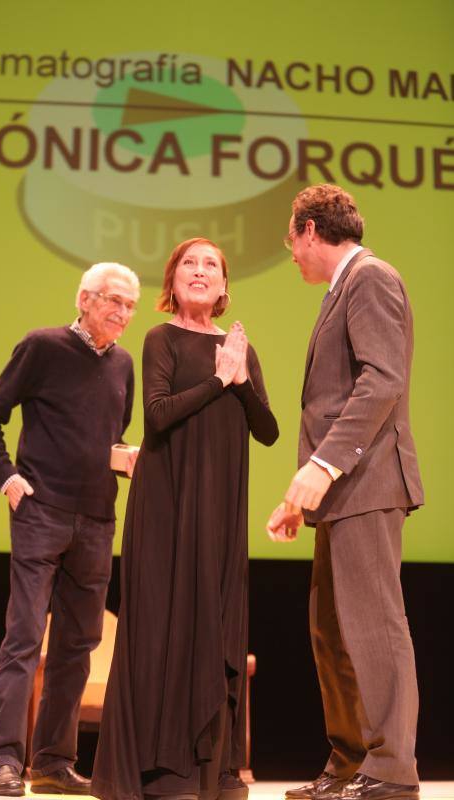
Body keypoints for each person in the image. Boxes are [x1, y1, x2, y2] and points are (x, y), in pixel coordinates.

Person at [91, 237, 278, 800]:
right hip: (168, 509)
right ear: (172, 283)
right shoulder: (160, 338)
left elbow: (266, 430)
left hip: (219, 514)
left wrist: (240, 381)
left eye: (212, 266)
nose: (200, 272)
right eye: (189, 265)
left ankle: (211, 770)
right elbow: (157, 415)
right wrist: (219, 381)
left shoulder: (238, 347)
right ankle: (162, 771)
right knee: (163, 624)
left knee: (212, 625)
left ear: (224, 287)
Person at [267, 185, 424, 800]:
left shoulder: (370, 278)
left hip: (368, 482)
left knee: (374, 626)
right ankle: (349, 761)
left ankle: (390, 770)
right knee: (332, 631)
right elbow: (334, 400)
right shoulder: (343, 289)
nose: (292, 254)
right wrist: (297, 495)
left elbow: (381, 382)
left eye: (291, 240)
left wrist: (325, 466)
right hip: (340, 491)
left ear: (310, 229)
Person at [0, 262, 140, 797]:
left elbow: (110, 433)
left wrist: (126, 460)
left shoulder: (125, 365)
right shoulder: (41, 346)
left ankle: (51, 762)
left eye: (131, 305)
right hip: (41, 512)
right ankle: (2, 759)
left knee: (78, 644)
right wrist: (7, 477)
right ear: (85, 298)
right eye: (113, 300)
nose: (122, 313)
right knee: (24, 638)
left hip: (97, 518)